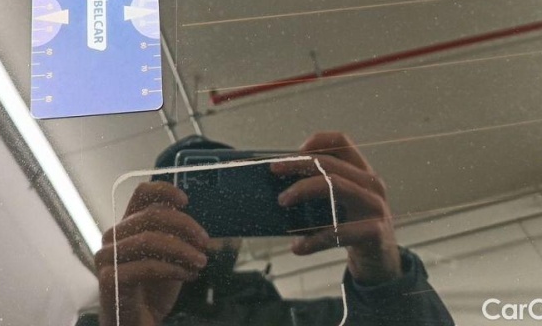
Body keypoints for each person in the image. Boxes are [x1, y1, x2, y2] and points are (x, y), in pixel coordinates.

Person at [79, 132, 453, 325]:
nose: (206, 220)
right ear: (148, 216)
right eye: (188, 199)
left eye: (231, 196)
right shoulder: (112, 317)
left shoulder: (319, 321)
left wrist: (383, 269)